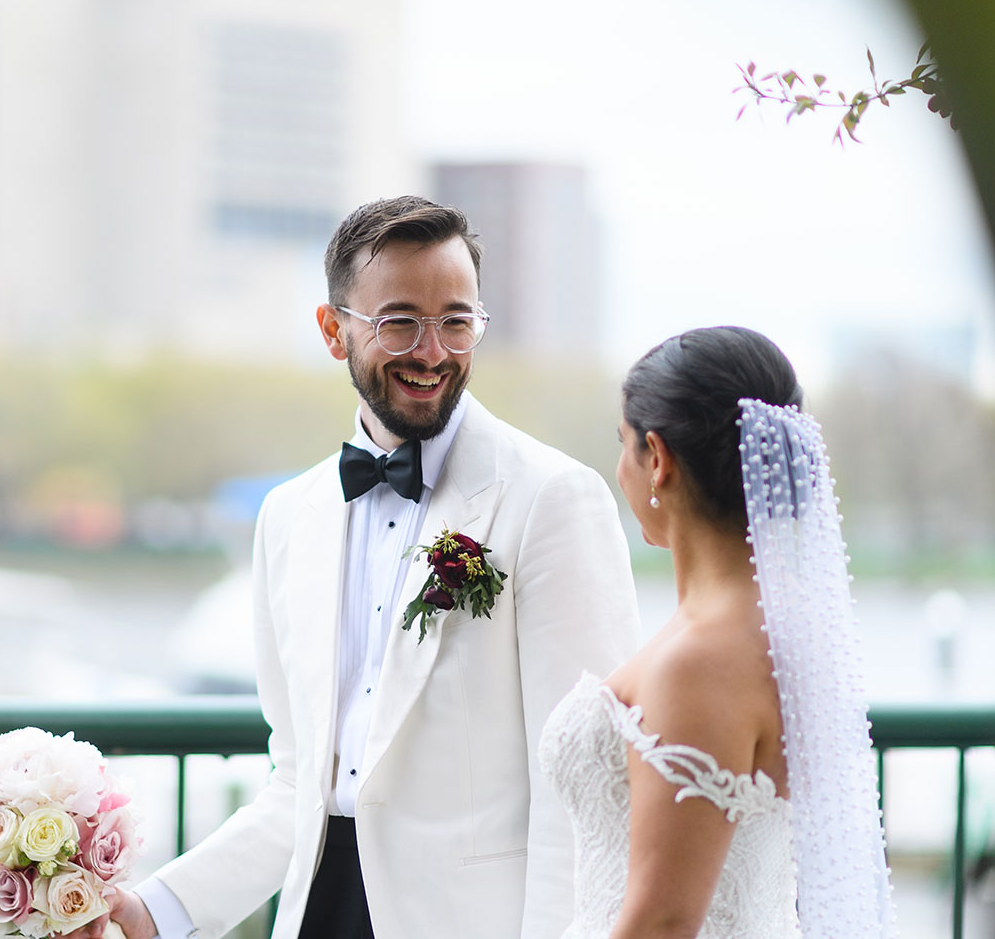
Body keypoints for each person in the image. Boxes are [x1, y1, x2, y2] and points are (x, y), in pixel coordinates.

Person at [108, 196, 640, 939]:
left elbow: (587, 786)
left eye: (456, 321)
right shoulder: (287, 518)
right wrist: (156, 909)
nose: (431, 352)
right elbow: (298, 786)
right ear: (334, 331)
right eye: (399, 322)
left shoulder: (552, 499)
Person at [538, 326, 895, 939]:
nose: (619, 466)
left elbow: (663, 922)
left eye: (622, 444)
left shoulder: (703, 660)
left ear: (659, 459)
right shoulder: (767, 631)